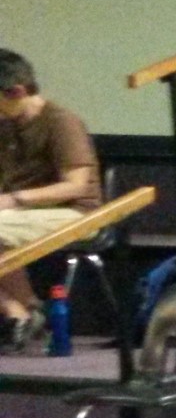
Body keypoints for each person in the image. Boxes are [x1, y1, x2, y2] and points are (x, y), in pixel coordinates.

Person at [0, 49, 102, 352]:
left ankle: (25, 314)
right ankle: (21, 312)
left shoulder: (61, 122)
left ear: (16, 91)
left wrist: (13, 199)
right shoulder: (6, 126)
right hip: (24, 213)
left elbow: (75, 186)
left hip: (74, 212)